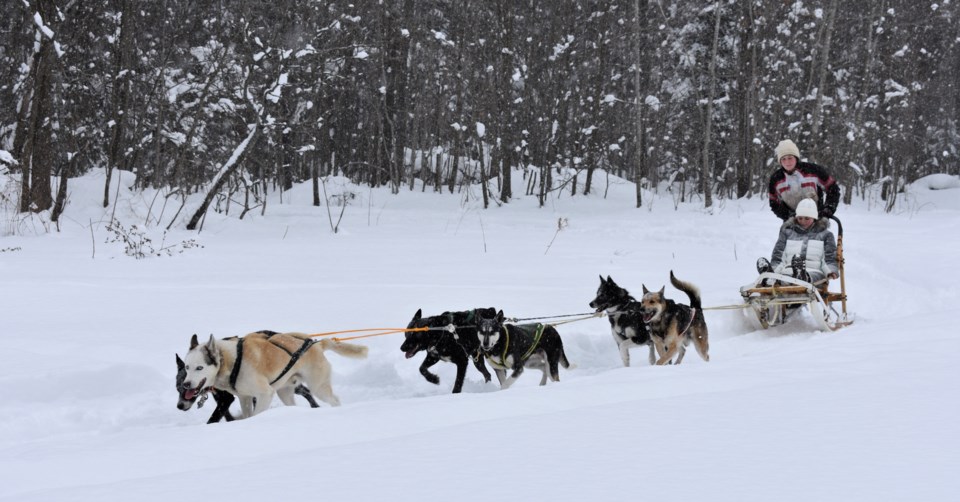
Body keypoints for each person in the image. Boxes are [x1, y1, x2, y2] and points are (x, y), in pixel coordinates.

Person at [757, 198, 839, 284]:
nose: (803, 221)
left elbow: (829, 258)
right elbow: (779, 257)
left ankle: (802, 277)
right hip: (788, 271)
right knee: (785, 278)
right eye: (800, 218)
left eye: (807, 218)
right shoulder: (787, 233)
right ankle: (770, 277)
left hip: (815, 271)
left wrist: (831, 270)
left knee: (812, 277)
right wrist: (774, 271)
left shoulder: (825, 235)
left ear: (814, 218)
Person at [768, 139, 840, 221]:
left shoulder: (813, 170)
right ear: (780, 161)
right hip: (792, 223)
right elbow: (774, 203)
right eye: (783, 159)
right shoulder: (776, 179)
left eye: (790, 158)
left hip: (816, 219)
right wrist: (789, 216)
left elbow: (833, 188)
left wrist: (828, 209)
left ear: (796, 158)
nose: (787, 162)